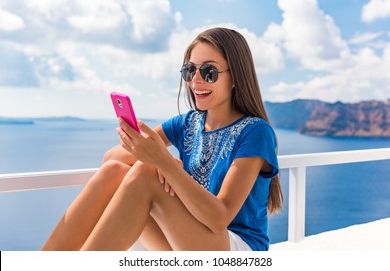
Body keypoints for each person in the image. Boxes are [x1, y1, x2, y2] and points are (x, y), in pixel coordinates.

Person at [41, 27, 283, 251]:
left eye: (208, 72)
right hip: (189, 237)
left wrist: (165, 165)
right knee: (115, 171)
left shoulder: (255, 132)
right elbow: (111, 159)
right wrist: (157, 161)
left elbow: (220, 218)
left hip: (237, 249)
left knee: (147, 173)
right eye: (189, 70)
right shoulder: (188, 123)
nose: (195, 81)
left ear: (236, 76)